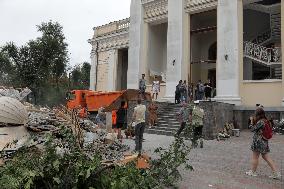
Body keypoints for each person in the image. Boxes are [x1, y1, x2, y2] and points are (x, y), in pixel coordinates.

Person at [246, 108, 281, 179]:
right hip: (264, 141)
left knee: (255, 157)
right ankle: (276, 173)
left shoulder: (260, 122)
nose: (254, 114)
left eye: (255, 113)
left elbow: (252, 129)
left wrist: (252, 121)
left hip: (258, 142)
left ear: (258, 114)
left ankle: (253, 172)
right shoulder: (265, 120)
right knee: (267, 157)